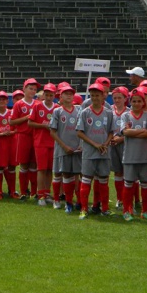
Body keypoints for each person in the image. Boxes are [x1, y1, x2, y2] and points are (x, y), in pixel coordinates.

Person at [76, 83, 114, 219]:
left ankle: (104, 208)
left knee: (103, 179)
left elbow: (111, 131)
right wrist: (95, 144)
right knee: (86, 179)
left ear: (103, 96)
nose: (95, 98)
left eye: (97, 95)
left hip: (104, 152)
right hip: (89, 152)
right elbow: (79, 132)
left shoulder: (108, 113)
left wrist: (105, 144)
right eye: (92, 95)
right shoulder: (85, 112)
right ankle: (84, 209)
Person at [120, 87, 147, 221]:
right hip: (130, 156)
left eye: (139, 101)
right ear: (130, 102)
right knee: (128, 184)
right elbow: (125, 132)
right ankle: (126, 210)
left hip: (146, 156)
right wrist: (142, 132)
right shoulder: (125, 115)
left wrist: (132, 132)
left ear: (143, 102)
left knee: (145, 184)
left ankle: (145, 211)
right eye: (133, 101)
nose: (136, 103)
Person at [50, 84, 82, 213]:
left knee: (79, 175)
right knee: (65, 174)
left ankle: (79, 201)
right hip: (63, 149)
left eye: (71, 93)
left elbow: (83, 130)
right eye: (66, 93)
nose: (69, 95)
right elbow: (52, 132)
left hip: (77, 149)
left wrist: (81, 144)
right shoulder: (57, 111)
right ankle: (64, 201)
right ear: (60, 96)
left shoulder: (79, 110)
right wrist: (64, 146)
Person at [28, 83, 58, 206]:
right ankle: (40, 195)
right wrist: (43, 125)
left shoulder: (57, 108)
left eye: (51, 95)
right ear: (44, 94)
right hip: (40, 142)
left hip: (53, 141)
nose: (49, 97)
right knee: (41, 169)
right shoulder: (37, 106)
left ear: (54, 95)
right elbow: (30, 123)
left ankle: (46, 192)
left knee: (50, 169)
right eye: (47, 94)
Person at [10, 78, 41, 199]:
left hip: (36, 137)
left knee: (34, 165)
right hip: (23, 136)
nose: (33, 91)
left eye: (34, 89)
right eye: (30, 88)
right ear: (24, 89)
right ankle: (23, 192)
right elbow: (12, 122)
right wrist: (26, 117)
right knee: (23, 165)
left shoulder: (38, 104)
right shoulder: (19, 104)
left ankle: (34, 192)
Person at [0, 91, 18, 199]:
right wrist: (0, 134)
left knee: (11, 166)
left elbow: (17, 128)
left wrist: (12, 132)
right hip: (0, 143)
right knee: (0, 166)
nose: (1, 101)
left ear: (7, 101)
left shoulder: (11, 113)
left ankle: (12, 191)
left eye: (3, 99)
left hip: (11, 142)